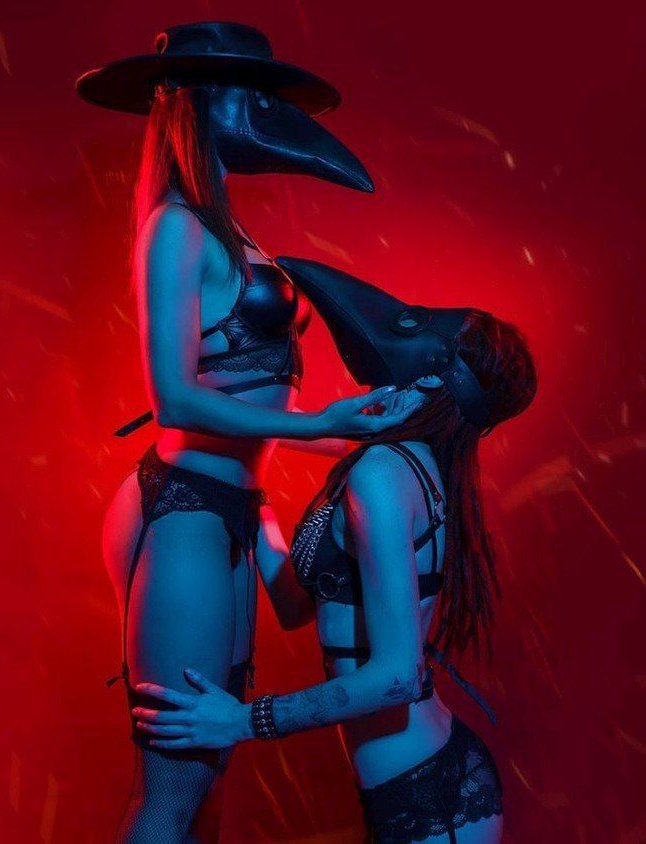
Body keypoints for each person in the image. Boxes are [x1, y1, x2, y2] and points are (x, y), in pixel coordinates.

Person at [76, 23, 422, 843]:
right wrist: (323, 421)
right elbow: (176, 401)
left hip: (228, 509)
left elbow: (246, 408)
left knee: (208, 777)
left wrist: (358, 434)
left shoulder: (226, 230)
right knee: (173, 785)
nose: (267, 110)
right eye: (253, 94)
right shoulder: (176, 228)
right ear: (203, 104)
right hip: (185, 509)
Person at [131, 260, 537, 843]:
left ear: (430, 381)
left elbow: (397, 677)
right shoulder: (401, 465)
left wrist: (243, 721)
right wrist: (245, 487)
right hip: (412, 788)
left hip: (436, 803)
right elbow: (295, 606)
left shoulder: (384, 474)